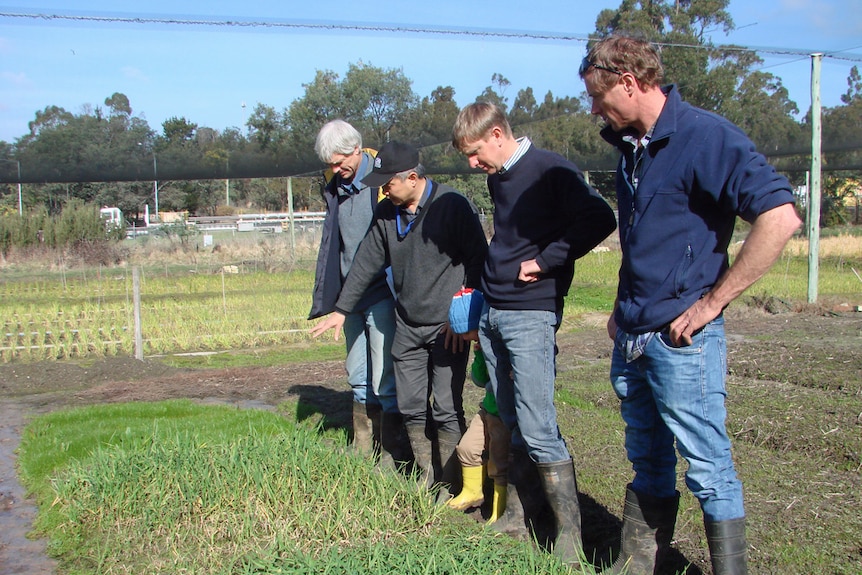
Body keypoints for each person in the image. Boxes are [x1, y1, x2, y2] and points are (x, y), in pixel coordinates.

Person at [579, 35, 802, 575]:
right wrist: (619, 307)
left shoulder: (706, 137)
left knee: (707, 466)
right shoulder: (633, 146)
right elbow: (644, 238)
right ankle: (642, 563)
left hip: (682, 341)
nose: (593, 110)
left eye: (598, 96)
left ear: (629, 83)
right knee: (647, 460)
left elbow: (781, 218)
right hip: (632, 335)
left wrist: (710, 305)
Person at [451, 102, 617, 566]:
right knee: (510, 419)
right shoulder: (497, 176)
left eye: (475, 151)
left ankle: (568, 538)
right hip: (494, 311)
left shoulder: (550, 170)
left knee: (539, 425)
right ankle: (520, 521)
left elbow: (600, 219)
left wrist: (547, 262)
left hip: (530, 314)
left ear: (498, 133)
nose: (472, 163)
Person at [311, 141, 488, 493]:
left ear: (411, 177)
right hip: (407, 325)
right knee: (410, 404)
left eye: (387, 183)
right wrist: (341, 310)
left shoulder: (451, 206)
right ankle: (427, 473)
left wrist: (466, 319)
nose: (382, 189)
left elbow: (479, 262)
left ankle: (451, 482)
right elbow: (365, 263)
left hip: (446, 328)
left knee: (446, 406)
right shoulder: (386, 214)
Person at [308, 120, 400, 465]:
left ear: (357, 150)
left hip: (381, 293)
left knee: (384, 378)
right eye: (330, 163)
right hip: (348, 299)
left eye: (339, 161)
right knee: (358, 374)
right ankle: (364, 448)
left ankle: (391, 454)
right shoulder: (335, 186)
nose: (335, 169)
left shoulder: (381, 182)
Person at [445, 288, 510, 524]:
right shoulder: (482, 346)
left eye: (468, 333)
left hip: (503, 414)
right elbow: (480, 380)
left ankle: (500, 509)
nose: (464, 338)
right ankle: (473, 491)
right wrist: (479, 355)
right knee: (467, 449)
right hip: (487, 410)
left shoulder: (502, 345)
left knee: (498, 463)